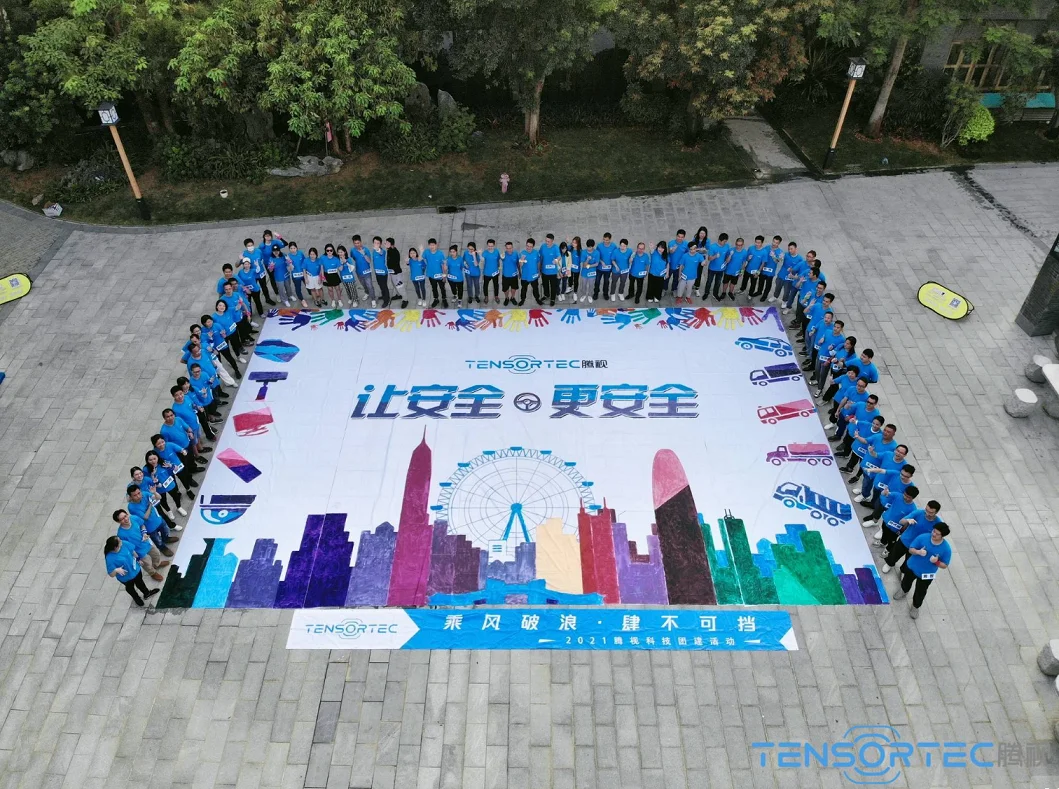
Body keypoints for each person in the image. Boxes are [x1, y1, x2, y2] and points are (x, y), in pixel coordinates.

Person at [894, 524, 951, 618]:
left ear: (942, 536)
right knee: (906, 581)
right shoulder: (923, 537)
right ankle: (904, 590)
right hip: (912, 567)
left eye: (937, 534)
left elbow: (945, 565)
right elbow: (911, 549)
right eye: (934, 531)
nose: (934, 534)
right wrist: (918, 552)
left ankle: (915, 606)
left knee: (921, 591)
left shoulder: (946, 549)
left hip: (927, 574)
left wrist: (936, 562)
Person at [882, 500, 942, 574]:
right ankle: (889, 564)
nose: (927, 513)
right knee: (894, 554)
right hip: (905, 540)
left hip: (918, 547)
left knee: (908, 561)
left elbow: (938, 538)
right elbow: (901, 521)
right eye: (926, 510)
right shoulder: (918, 513)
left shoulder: (938, 523)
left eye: (930, 512)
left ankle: (903, 571)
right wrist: (907, 520)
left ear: (936, 512)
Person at [113, 509, 168, 581]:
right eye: (122, 519)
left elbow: (142, 525)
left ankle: (157, 564)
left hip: (147, 543)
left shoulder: (134, 518)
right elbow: (126, 547)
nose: (126, 519)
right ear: (118, 522)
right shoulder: (121, 534)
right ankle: (152, 573)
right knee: (146, 564)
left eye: (125, 516)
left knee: (156, 554)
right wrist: (137, 558)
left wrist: (144, 533)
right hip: (139, 552)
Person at [103, 536, 159, 607]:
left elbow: (132, 551)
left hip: (136, 570)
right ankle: (136, 598)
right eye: (119, 541)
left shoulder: (124, 544)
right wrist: (116, 570)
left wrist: (138, 559)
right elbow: (111, 574)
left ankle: (147, 593)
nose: (121, 541)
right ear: (115, 547)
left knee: (140, 583)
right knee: (130, 588)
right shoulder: (110, 558)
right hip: (126, 578)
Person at [127, 484, 179, 553]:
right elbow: (145, 517)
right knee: (157, 540)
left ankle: (166, 539)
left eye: (139, 493)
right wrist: (150, 505)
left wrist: (154, 492)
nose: (138, 496)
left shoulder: (144, 494)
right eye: (135, 495)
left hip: (158, 519)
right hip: (149, 527)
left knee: (165, 531)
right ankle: (162, 548)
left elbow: (159, 497)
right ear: (130, 497)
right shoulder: (132, 507)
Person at [870, 484, 919, 549]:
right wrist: (885, 492)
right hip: (886, 520)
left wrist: (901, 531)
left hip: (896, 528)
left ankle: (888, 549)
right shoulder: (898, 495)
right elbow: (887, 494)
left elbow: (907, 523)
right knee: (884, 532)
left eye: (908, 497)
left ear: (913, 498)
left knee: (892, 540)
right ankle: (883, 542)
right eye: (905, 495)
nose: (905, 497)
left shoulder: (913, 509)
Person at [145, 448, 186, 518]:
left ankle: (179, 507)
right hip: (159, 489)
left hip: (170, 484)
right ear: (147, 461)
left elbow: (176, 468)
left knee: (176, 496)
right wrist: (152, 475)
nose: (153, 461)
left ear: (157, 457)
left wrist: (171, 466)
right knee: (163, 501)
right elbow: (147, 480)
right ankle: (169, 511)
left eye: (154, 458)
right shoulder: (146, 469)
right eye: (150, 460)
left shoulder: (163, 462)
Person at [350, 236, 377, 307]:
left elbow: (369, 261)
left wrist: (364, 254)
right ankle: (367, 293)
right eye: (355, 243)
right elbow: (354, 258)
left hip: (367, 272)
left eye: (358, 243)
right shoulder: (352, 250)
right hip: (358, 272)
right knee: (364, 285)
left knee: (370, 286)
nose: (357, 245)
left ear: (361, 242)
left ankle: (373, 299)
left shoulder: (366, 250)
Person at [704, 233, 731, 301]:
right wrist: (715, 256)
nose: (725, 243)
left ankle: (715, 294)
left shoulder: (727, 246)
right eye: (724, 241)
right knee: (709, 282)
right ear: (719, 240)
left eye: (726, 241)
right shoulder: (712, 247)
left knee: (718, 283)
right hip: (712, 269)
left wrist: (728, 258)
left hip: (721, 269)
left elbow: (727, 255)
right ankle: (706, 293)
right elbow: (709, 258)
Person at [424, 238, 449, 308]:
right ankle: (436, 299)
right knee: (434, 288)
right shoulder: (426, 252)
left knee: (442, 288)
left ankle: (444, 299)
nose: (432, 247)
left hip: (440, 275)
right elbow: (421, 258)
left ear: (436, 245)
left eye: (433, 245)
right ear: (428, 245)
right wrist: (420, 251)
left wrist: (444, 276)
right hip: (431, 275)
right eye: (430, 245)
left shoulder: (440, 254)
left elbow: (443, 265)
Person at [518, 238, 543, 306]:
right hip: (525, 276)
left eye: (530, 246)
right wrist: (522, 259)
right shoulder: (522, 253)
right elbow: (520, 265)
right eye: (527, 246)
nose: (528, 248)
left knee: (535, 289)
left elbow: (538, 262)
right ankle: (522, 299)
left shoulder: (536, 253)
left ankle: (537, 299)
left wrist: (539, 271)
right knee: (523, 289)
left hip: (534, 275)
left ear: (533, 246)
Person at [285, 241, 309, 308]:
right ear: (289, 249)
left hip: (303, 273)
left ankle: (311, 293)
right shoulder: (288, 257)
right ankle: (302, 300)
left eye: (294, 248)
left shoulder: (300, 253)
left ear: (296, 248)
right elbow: (289, 268)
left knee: (308, 285)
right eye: (291, 248)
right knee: (298, 288)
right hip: (295, 276)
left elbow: (305, 261)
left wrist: (306, 270)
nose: (293, 250)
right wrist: (290, 264)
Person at [319, 243, 343, 307]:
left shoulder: (336, 258)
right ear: (325, 251)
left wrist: (342, 260)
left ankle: (339, 300)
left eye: (331, 250)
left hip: (334, 275)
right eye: (327, 250)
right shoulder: (322, 258)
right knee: (330, 289)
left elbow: (340, 269)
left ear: (333, 250)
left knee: (337, 288)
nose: (329, 252)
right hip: (327, 275)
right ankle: (333, 300)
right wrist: (322, 277)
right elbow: (321, 267)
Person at [385, 237, 407, 307]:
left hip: (396, 273)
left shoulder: (394, 252)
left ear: (391, 244)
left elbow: (394, 263)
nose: (385, 244)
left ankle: (405, 300)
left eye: (387, 243)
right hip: (392, 272)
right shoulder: (389, 250)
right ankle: (398, 295)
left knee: (400, 287)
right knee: (394, 284)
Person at [370, 236, 391, 307]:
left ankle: (387, 300)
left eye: (378, 243)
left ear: (380, 244)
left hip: (383, 274)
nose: (376, 244)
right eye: (375, 243)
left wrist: (378, 249)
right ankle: (383, 295)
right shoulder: (373, 251)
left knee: (384, 286)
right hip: (377, 273)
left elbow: (381, 252)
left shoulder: (382, 251)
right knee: (380, 285)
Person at [540, 234, 560, 306]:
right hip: (544, 271)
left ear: (552, 241)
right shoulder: (543, 246)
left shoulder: (556, 247)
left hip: (553, 272)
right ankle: (546, 295)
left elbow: (559, 256)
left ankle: (552, 299)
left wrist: (556, 260)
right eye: (546, 241)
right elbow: (540, 256)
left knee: (553, 286)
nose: (547, 243)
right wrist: (540, 267)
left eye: (548, 241)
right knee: (545, 285)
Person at [595, 232, 615, 301]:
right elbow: (596, 256)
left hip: (608, 269)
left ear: (610, 239)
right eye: (604, 239)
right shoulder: (599, 246)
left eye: (607, 240)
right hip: (599, 268)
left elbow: (615, 256)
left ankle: (605, 294)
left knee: (606, 282)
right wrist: (601, 261)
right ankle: (596, 293)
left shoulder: (613, 246)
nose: (605, 241)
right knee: (597, 281)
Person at [667, 230, 687, 296]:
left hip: (679, 266)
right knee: (666, 278)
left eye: (682, 237)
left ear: (684, 237)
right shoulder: (671, 243)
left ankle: (674, 289)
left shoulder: (686, 244)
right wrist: (672, 250)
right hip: (670, 264)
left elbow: (687, 254)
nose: (680, 238)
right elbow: (669, 252)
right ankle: (664, 289)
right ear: (676, 236)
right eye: (678, 236)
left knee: (676, 279)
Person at [689, 226, 708, 294]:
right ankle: (691, 283)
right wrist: (700, 249)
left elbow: (707, 251)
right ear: (698, 233)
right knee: (692, 270)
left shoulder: (707, 241)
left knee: (699, 273)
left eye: (704, 233)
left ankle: (697, 287)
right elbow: (691, 248)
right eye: (701, 233)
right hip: (694, 257)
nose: (702, 235)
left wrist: (706, 260)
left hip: (701, 259)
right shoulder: (695, 239)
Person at [500, 241, 519, 306]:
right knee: (505, 289)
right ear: (506, 248)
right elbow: (502, 258)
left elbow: (517, 263)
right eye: (507, 248)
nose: (509, 250)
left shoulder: (516, 254)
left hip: (514, 275)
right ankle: (506, 298)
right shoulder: (503, 255)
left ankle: (512, 298)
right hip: (505, 276)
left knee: (514, 288)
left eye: (510, 248)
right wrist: (502, 257)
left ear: (512, 247)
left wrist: (520, 272)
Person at [482, 240, 501, 304]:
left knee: (496, 285)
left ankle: (496, 296)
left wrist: (499, 269)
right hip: (486, 273)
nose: (490, 247)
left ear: (494, 245)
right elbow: (482, 260)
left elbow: (498, 260)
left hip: (495, 272)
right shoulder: (484, 253)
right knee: (485, 285)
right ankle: (486, 297)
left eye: (491, 246)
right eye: (489, 246)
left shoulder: (497, 252)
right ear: (487, 245)